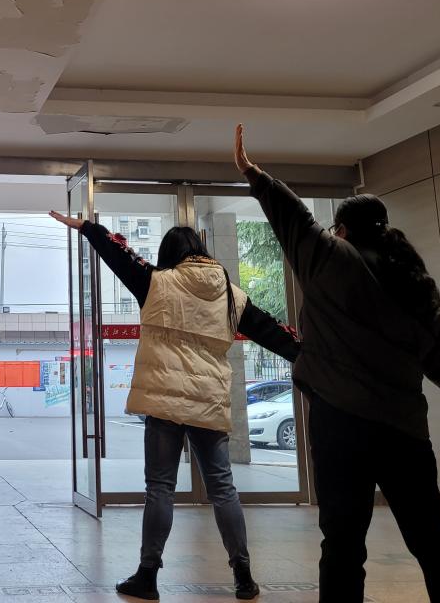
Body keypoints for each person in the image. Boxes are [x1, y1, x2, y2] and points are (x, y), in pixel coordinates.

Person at [232, 125, 440, 603]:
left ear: (341, 229)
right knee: (430, 536)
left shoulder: (328, 259)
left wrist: (254, 174)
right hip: (404, 431)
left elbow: (292, 217)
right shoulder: (413, 283)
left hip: (339, 427)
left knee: (342, 543)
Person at [49, 209, 300, 601]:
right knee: (223, 488)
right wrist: (317, 356)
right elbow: (275, 333)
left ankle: (147, 576)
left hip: (165, 403)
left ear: (169, 255)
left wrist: (88, 228)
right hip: (208, 404)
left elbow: (120, 255)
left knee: (160, 488)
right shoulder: (232, 295)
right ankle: (244, 575)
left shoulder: (156, 282)